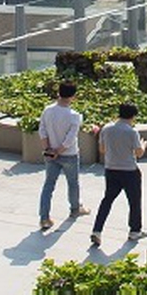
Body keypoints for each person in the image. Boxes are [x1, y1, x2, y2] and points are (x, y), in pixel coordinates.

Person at [90, 102, 147, 248]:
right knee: (134, 201)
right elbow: (138, 153)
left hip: (111, 170)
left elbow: (102, 150)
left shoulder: (107, 129)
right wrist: (143, 146)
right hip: (129, 171)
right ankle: (135, 230)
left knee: (107, 200)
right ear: (133, 116)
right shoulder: (131, 132)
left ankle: (97, 230)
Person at [36, 80, 89, 232]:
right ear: (73, 96)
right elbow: (70, 138)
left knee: (48, 185)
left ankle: (44, 218)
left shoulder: (48, 111)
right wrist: (58, 151)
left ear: (59, 92)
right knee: (73, 183)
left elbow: (42, 131)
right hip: (69, 154)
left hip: (49, 153)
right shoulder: (74, 116)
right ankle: (75, 208)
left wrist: (48, 149)